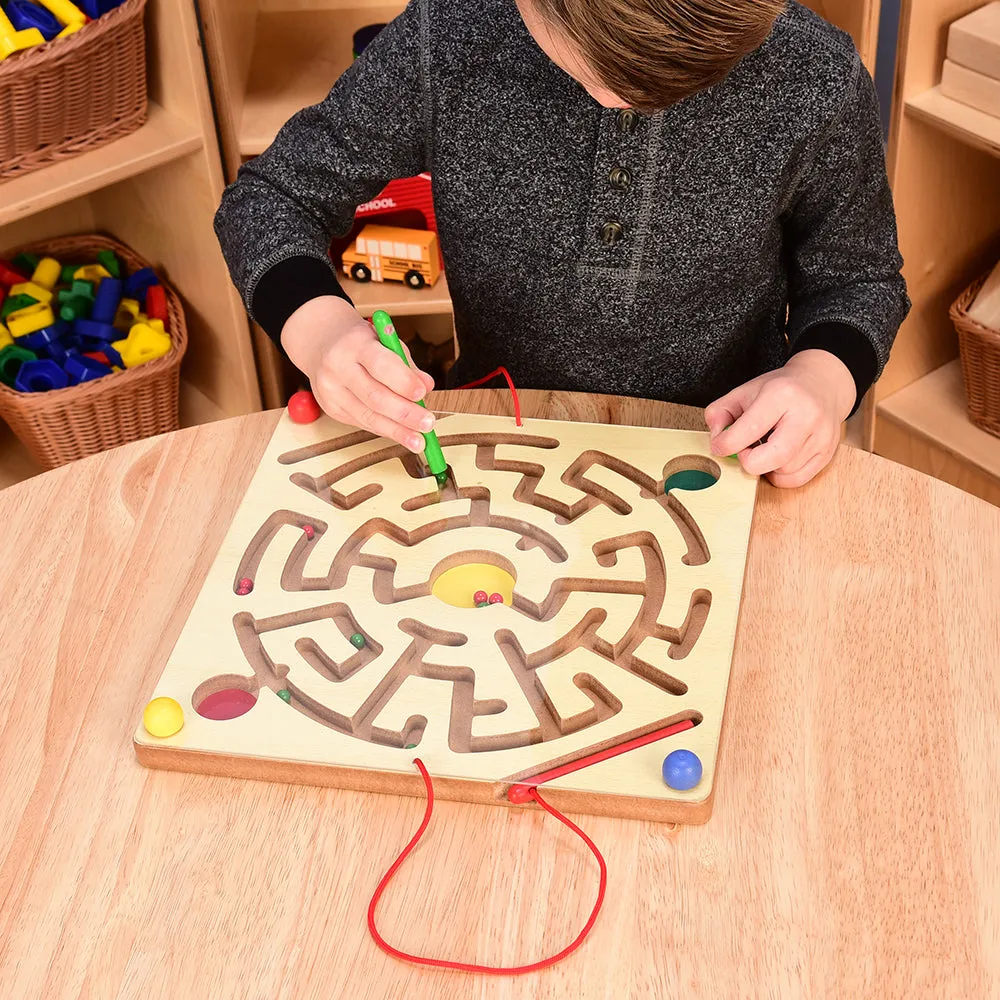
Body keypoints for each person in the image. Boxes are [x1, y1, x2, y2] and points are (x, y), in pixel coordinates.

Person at [214, 0, 909, 487]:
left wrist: (823, 380)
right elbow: (271, 198)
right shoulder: (453, 32)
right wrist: (321, 330)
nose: (631, 104)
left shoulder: (814, 76)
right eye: (605, 70)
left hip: (723, 461)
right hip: (495, 452)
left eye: (690, 81)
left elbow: (860, 280)